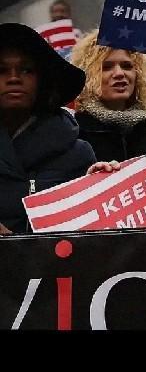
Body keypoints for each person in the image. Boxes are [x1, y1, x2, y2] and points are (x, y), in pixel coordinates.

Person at [0, 22, 95, 234]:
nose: (14, 78)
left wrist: (103, 186)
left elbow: (88, 238)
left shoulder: (78, 155)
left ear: (42, 81)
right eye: (2, 70)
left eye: (27, 70)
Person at [70, 31, 146, 162]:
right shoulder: (73, 134)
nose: (119, 73)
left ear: (139, 74)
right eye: (106, 67)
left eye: (127, 66)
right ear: (86, 75)